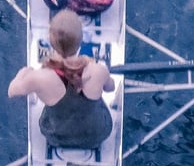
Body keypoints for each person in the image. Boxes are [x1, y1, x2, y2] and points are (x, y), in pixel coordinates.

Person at [8, 9, 114, 148]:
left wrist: (24, 72)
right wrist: (95, 68)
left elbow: (12, 91)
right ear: (81, 39)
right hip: (97, 135)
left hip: (57, 138)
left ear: (51, 40)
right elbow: (110, 88)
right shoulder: (98, 70)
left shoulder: (39, 77)